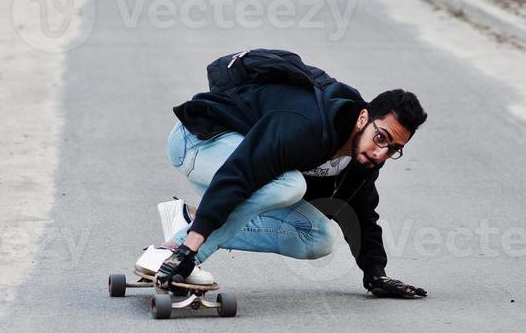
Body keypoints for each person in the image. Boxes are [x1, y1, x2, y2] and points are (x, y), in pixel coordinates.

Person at [134, 49, 428, 299]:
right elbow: (241, 173)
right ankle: (177, 249)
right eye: (381, 138)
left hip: (240, 162)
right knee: (290, 184)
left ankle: (189, 219)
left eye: (393, 149)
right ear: (363, 118)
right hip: (199, 141)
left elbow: (362, 215)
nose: (381, 153)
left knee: (317, 238)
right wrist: (190, 250)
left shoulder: (361, 161)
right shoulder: (307, 124)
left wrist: (376, 276)